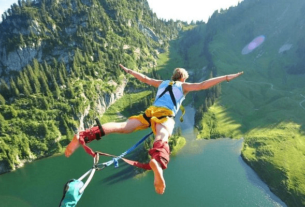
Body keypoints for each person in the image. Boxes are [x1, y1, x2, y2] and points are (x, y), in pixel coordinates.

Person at [65, 64, 243, 194]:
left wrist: (129, 71)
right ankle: (157, 161)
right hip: (165, 115)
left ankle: (83, 136)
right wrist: (226, 77)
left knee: (122, 126)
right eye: (185, 79)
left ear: (173, 75)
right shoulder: (183, 86)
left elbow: (144, 78)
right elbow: (204, 85)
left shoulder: (163, 83)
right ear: (182, 78)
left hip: (149, 112)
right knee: (163, 135)